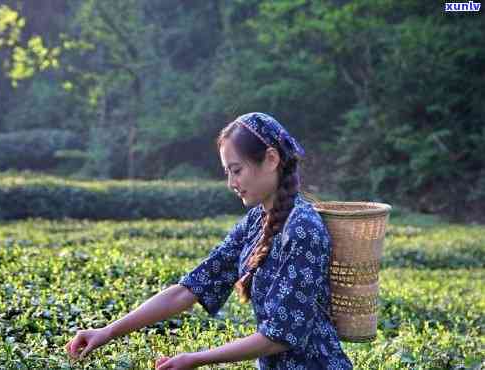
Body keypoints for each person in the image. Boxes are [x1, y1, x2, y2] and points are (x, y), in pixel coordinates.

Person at [66, 112, 353, 369]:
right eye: (228, 172)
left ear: (271, 159)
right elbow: (189, 288)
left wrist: (195, 359)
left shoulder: (303, 227)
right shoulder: (256, 221)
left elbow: (280, 335)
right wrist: (108, 332)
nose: (231, 183)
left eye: (237, 170)